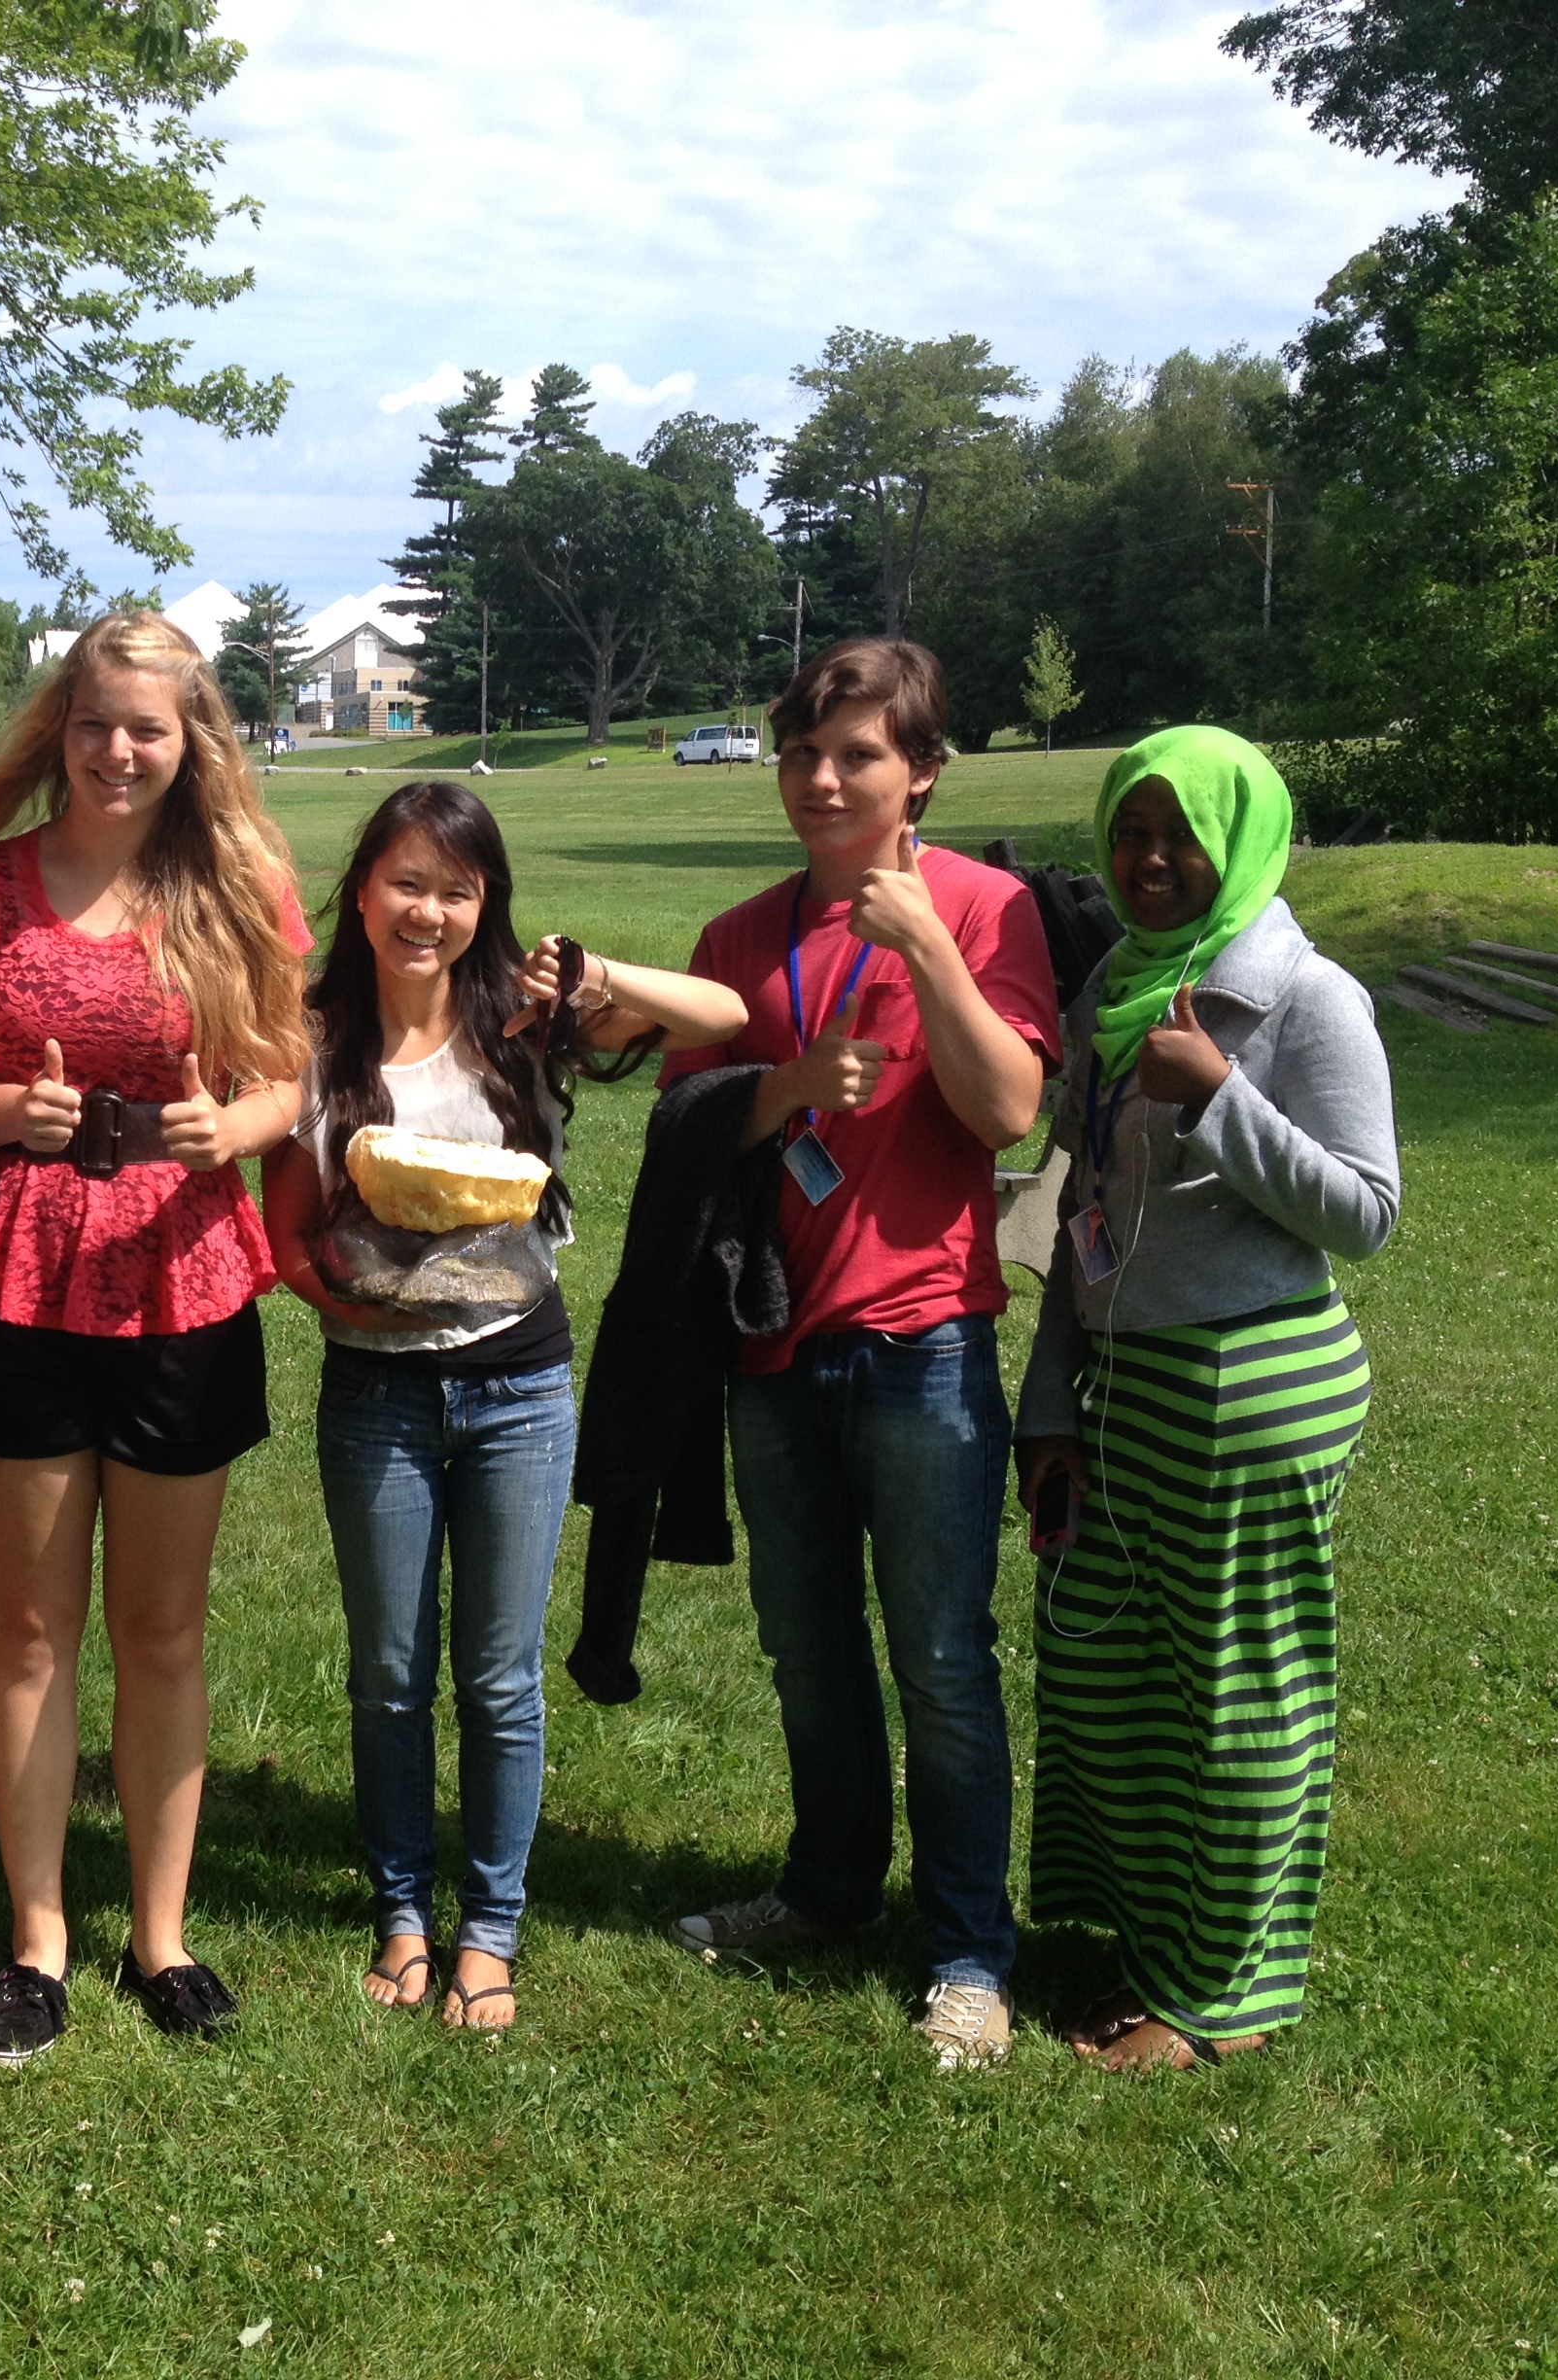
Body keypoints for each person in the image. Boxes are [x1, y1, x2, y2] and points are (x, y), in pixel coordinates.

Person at [261, 783, 742, 2030]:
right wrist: (338, 1297)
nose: (426, 912)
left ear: (487, 906)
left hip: (521, 1388)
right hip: (375, 1391)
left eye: (456, 890)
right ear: (363, 890)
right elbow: (287, 1227)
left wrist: (595, 975)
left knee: (499, 1678)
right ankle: (401, 1911)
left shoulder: (523, 1025)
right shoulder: (311, 1038)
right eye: (405, 883)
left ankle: (490, 1927)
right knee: (388, 1673)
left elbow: (726, 1015)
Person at [0, 611, 313, 2059]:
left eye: (148, 726)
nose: (118, 751)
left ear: (191, 738)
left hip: (184, 1274)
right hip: (22, 1270)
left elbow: (287, 1076)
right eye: (94, 723)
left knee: (161, 1627)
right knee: (29, 1627)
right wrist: (9, 1108)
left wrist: (234, 1128)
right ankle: (38, 1940)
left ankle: (161, 1934)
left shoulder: (242, 884)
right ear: (57, 729)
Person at [656, 639, 1059, 2071]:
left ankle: (968, 1954)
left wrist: (931, 949)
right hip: (774, 1345)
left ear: (922, 774)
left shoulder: (991, 910)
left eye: (857, 756)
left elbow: (1008, 1111)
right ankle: (829, 1888)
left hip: (926, 1340)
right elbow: (688, 1129)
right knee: (809, 1650)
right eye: (802, 754)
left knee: (942, 1659)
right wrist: (779, 1091)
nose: (821, 781)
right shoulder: (739, 938)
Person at [1016, 728, 1397, 2072]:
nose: (1151, 858)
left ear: (1239, 843)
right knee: (1112, 1675)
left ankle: (1220, 1995)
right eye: (1131, 831)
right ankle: (1148, 1937)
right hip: (1126, 1387)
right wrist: (1048, 1408)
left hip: (1253, 1387)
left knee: (1238, 1695)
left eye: (1181, 835)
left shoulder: (1306, 999)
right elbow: (1080, 1211)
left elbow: (1365, 1211)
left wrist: (1225, 1099)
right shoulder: (1116, 988)